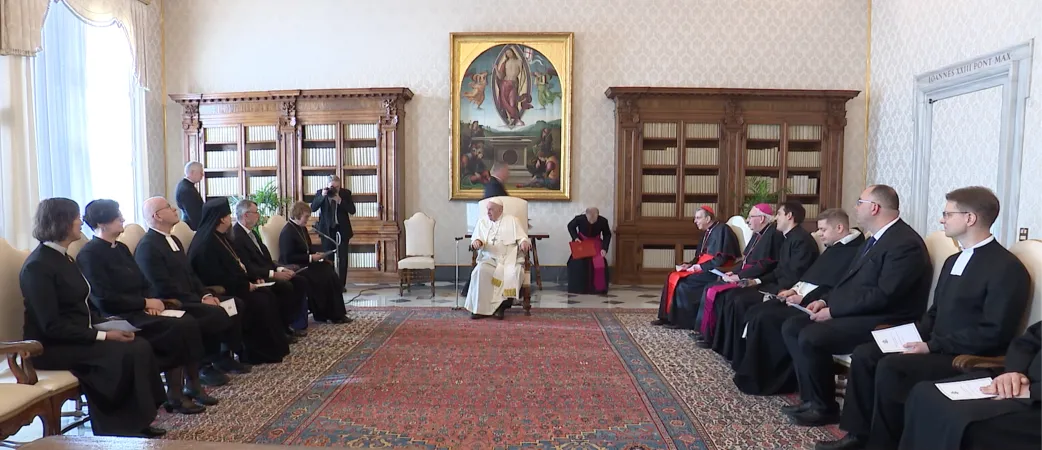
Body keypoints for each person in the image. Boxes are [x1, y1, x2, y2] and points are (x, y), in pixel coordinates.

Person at [817, 187, 1032, 450]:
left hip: (966, 355)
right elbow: (934, 314)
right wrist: (911, 336)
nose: (942, 220)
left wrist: (931, 346)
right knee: (866, 354)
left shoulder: (1006, 268)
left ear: (970, 218)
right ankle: (858, 436)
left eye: (947, 214)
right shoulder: (954, 260)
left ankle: (884, 444)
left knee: (891, 367)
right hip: (936, 344)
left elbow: (993, 332)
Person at [782, 185, 932, 427]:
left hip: (888, 318)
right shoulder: (876, 239)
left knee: (812, 336)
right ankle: (812, 399)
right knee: (792, 326)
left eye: (859, 202)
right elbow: (848, 281)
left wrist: (834, 311)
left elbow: (885, 295)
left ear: (874, 208)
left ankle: (824, 407)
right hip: (862, 311)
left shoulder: (904, 243)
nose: (855, 207)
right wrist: (824, 301)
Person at [20, 198, 166, 437]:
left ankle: (137, 420)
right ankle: (118, 428)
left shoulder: (63, 257)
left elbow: (82, 305)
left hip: (76, 335)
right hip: (50, 347)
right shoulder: (38, 266)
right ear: (61, 222)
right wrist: (103, 335)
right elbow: (51, 325)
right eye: (76, 217)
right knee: (122, 352)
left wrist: (108, 325)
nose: (80, 221)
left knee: (139, 344)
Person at [76, 199, 215, 414]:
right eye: (117, 216)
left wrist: (152, 301)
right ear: (102, 224)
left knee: (187, 321)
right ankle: (174, 394)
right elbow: (103, 298)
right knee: (177, 327)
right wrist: (144, 302)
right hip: (118, 317)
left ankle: (192, 384)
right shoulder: (89, 254)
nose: (123, 219)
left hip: (141, 310)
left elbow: (144, 281)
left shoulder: (121, 248)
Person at [732, 208, 864, 395]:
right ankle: (752, 373)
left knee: (766, 318)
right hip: (801, 294)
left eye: (823, 230)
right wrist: (794, 289)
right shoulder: (836, 246)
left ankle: (772, 380)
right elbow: (812, 276)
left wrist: (803, 297)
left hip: (814, 302)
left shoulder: (853, 251)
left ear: (840, 228)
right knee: (757, 312)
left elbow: (832, 286)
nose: (819, 234)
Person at [135, 196, 246, 379]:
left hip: (193, 297)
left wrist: (205, 294)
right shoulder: (148, 246)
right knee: (215, 313)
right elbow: (162, 286)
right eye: (169, 207)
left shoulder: (174, 240)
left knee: (235, 304)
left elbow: (191, 275)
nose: (175, 210)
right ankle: (203, 365)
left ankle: (222, 356)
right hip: (175, 302)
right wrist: (199, 300)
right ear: (157, 216)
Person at [900, 321, 1041, 450]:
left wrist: (1031, 391)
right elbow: (1027, 342)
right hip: (1020, 380)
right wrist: (1015, 372)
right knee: (924, 393)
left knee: (964, 422)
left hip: (1035, 400)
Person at [704, 202, 819, 355]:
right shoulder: (789, 237)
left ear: (789, 216)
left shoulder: (801, 240)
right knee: (734, 297)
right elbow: (779, 270)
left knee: (738, 300)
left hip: (785, 290)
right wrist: (756, 281)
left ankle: (739, 352)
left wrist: (777, 289)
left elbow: (794, 274)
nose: (776, 218)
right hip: (776, 284)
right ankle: (729, 349)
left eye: (779, 214)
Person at [188, 198, 291, 364]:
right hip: (222, 289)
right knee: (261, 301)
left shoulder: (222, 237)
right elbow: (214, 276)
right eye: (228, 215)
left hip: (237, 284)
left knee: (267, 295)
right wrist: (245, 285)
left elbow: (237, 265)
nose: (231, 219)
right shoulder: (206, 243)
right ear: (221, 218)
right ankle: (253, 353)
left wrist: (251, 280)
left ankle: (274, 348)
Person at [693, 203, 786, 346]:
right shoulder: (758, 235)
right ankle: (707, 333)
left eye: (750, 217)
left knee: (718, 292)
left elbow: (765, 264)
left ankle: (714, 338)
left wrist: (740, 276)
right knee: (711, 288)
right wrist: (734, 271)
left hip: (758, 279)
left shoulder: (773, 235)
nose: (747, 221)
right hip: (745, 274)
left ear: (761, 219)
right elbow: (746, 260)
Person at [651, 205, 740, 330]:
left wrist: (700, 267)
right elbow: (700, 255)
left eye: (698, 218)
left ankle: (682, 322)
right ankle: (667, 317)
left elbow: (722, 259)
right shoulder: (707, 232)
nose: (695, 221)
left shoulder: (722, 230)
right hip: (704, 267)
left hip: (714, 270)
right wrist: (690, 264)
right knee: (672, 276)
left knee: (683, 284)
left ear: (708, 218)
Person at [230, 199, 309, 338]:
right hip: (256, 277)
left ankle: (289, 324)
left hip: (266, 271)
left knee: (300, 282)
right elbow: (248, 265)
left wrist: (280, 270)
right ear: (246, 215)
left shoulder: (252, 233)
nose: (258, 216)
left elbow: (266, 258)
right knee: (285, 286)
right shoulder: (237, 236)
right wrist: (272, 274)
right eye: (256, 212)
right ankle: (281, 329)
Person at [277, 201, 350, 324]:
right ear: (297, 214)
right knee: (323, 275)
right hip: (295, 267)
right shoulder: (287, 232)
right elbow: (288, 257)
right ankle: (324, 313)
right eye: (306, 217)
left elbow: (308, 248)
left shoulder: (302, 228)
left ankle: (337, 313)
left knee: (328, 269)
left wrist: (318, 255)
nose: (308, 219)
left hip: (306, 263)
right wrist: (310, 258)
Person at [465, 198, 531, 319]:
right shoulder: (483, 222)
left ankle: (500, 307)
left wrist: (523, 242)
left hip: (509, 259)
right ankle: (479, 309)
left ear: (500, 210)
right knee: (480, 272)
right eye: (487, 209)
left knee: (512, 273)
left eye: (491, 210)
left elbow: (522, 237)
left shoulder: (512, 221)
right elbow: (477, 238)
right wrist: (477, 242)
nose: (488, 212)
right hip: (489, 259)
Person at [311, 175, 355, 290]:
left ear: (340, 186)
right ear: (327, 185)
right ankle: (330, 285)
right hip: (326, 231)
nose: (334, 189)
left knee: (343, 259)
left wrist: (340, 201)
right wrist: (322, 196)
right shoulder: (321, 193)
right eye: (332, 187)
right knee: (328, 259)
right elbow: (313, 208)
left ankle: (341, 285)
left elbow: (352, 210)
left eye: (337, 187)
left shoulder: (345, 193)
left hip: (342, 230)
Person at [566, 207, 612, 294]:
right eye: (590, 219)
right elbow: (570, 226)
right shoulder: (579, 219)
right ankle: (578, 288)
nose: (591, 221)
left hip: (596, 244)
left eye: (594, 219)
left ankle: (598, 289)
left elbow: (607, 234)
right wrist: (575, 238)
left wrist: (604, 248)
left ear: (598, 215)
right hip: (582, 243)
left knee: (600, 262)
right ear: (586, 215)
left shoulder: (603, 221)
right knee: (577, 262)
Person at [175, 161, 205, 230]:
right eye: (200, 172)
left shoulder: (185, 185)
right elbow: (194, 216)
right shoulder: (187, 190)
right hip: (191, 228)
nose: (202, 175)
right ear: (192, 172)